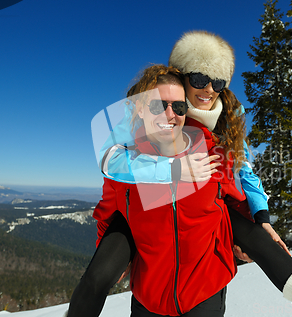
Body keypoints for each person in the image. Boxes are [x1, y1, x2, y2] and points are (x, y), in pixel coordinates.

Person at [92, 31, 292, 317]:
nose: (209, 90)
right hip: (155, 262)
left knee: (263, 245)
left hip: (207, 248)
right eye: (201, 79)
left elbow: (244, 168)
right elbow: (110, 160)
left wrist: (261, 217)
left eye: (218, 82)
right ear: (181, 76)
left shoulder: (228, 117)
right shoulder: (152, 108)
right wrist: (169, 170)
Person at [71, 65, 251, 317]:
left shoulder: (211, 153)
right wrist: (113, 260)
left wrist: (251, 234)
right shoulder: (126, 166)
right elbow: (110, 214)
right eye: (158, 106)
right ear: (142, 109)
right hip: (150, 295)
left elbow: (235, 200)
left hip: (205, 289)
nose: (170, 114)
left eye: (178, 107)